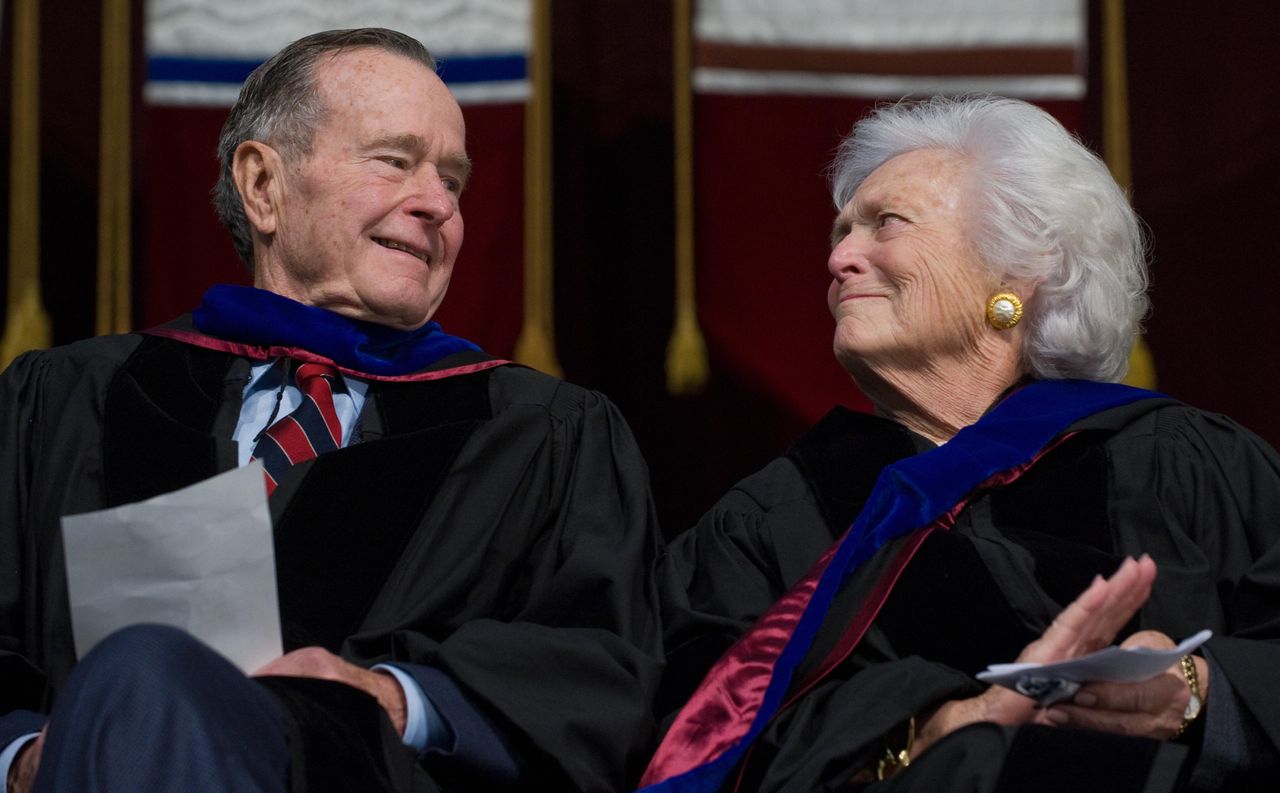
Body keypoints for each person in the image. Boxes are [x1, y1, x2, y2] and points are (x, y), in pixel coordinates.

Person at [0, 28, 664, 793]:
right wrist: (24, 759)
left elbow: (605, 675)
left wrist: (394, 698)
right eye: (395, 161)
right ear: (263, 187)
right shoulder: (66, 401)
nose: (437, 205)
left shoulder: (543, 435)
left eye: (454, 181)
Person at [644, 96, 1280, 792]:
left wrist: (1198, 691)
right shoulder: (767, 525)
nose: (839, 257)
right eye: (841, 231)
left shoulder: (1181, 460)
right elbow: (689, 733)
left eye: (884, 223)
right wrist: (936, 729)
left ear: (1014, 274)